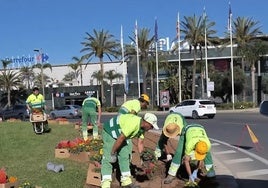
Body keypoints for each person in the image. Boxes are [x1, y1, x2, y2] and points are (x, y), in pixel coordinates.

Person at [101, 113, 159, 188]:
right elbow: (120, 138)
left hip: (121, 134)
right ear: (146, 122)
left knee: (125, 155)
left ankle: (126, 182)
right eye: (151, 126)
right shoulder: (133, 124)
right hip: (110, 131)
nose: (152, 128)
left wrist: (142, 157)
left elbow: (140, 142)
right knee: (108, 158)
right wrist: (112, 153)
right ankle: (105, 184)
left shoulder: (142, 128)